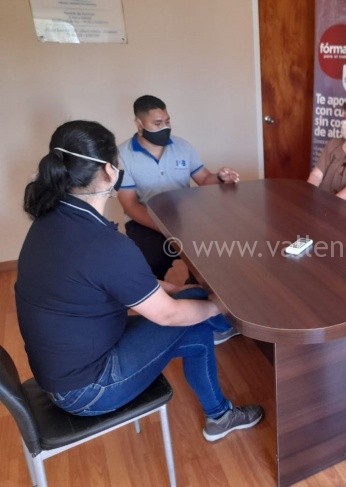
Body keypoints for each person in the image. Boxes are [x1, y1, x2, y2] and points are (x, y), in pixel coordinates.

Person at [15, 120, 263, 443]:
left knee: (196, 317)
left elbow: (122, 283)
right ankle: (233, 333)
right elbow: (168, 314)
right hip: (88, 390)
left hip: (62, 372)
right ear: (110, 171)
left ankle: (220, 413)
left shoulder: (51, 219)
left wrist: (181, 291)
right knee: (196, 311)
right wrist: (218, 305)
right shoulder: (104, 244)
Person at [117, 94, 239, 345]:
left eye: (167, 121)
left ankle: (200, 304)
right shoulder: (123, 155)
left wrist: (220, 178)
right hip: (146, 221)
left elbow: (204, 179)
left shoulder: (183, 146)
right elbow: (130, 204)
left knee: (211, 257)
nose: (165, 127)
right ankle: (156, 317)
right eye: (157, 123)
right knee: (149, 264)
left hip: (187, 219)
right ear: (139, 125)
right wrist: (164, 229)